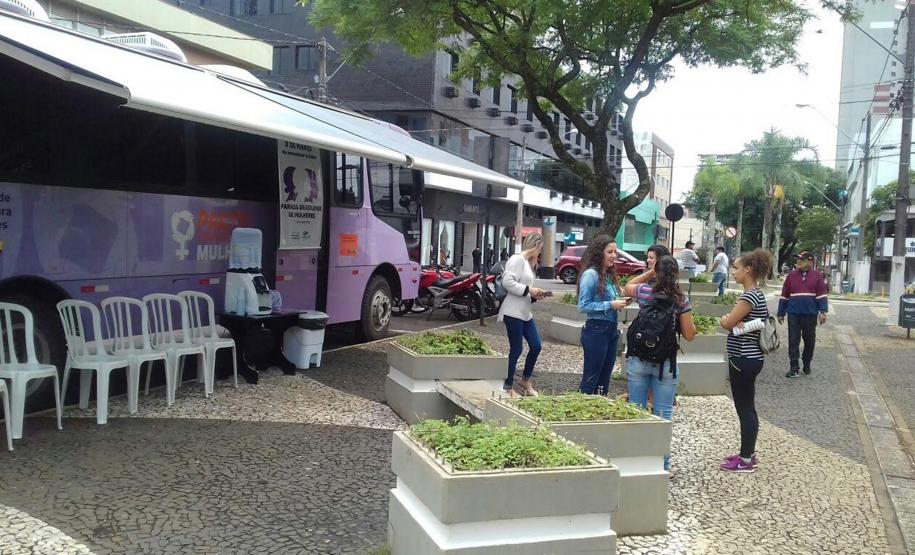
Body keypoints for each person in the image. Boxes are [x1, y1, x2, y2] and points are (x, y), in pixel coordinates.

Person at [623, 255, 697, 473]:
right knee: (663, 415)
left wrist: (650, 272)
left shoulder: (645, 292)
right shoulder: (680, 299)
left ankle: (637, 462)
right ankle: (662, 466)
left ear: (656, 271)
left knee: (637, 412)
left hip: (638, 359)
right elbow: (689, 335)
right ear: (676, 274)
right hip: (665, 364)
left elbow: (627, 286)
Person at [718, 248, 773, 473]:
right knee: (747, 406)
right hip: (751, 357)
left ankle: (746, 459)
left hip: (743, 357)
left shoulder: (749, 296)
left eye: (736, 268)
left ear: (748, 270)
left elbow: (728, 323)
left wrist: (727, 320)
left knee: (745, 408)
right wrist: (734, 323)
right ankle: (747, 453)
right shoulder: (757, 293)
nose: (733, 272)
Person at [577, 236, 629, 395]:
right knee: (591, 378)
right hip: (596, 331)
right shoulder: (590, 275)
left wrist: (620, 301)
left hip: (611, 331)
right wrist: (610, 305)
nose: (614, 255)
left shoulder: (608, 275)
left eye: (615, 252)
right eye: (610, 252)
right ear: (600, 253)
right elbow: (583, 306)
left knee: (604, 379)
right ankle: (583, 409)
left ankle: (600, 409)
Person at [499, 233, 546, 396]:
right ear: (536, 246)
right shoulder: (517, 259)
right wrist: (529, 290)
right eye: (540, 248)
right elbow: (507, 282)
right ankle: (508, 385)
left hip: (525, 312)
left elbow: (521, 286)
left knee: (536, 346)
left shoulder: (526, 263)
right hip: (512, 312)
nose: (540, 252)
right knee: (516, 349)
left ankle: (525, 380)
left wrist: (533, 295)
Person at [777, 251, 828, 378]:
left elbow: (822, 295)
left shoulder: (817, 276)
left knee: (809, 341)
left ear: (810, 262)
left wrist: (822, 312)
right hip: (794, 313)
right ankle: (794, 367)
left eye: (802, 260)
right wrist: (781, 312)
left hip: (810, 314)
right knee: (793, 340)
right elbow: (785, 295)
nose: (799, 262)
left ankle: (806, 362)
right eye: (798, 259)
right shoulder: (791, 276)